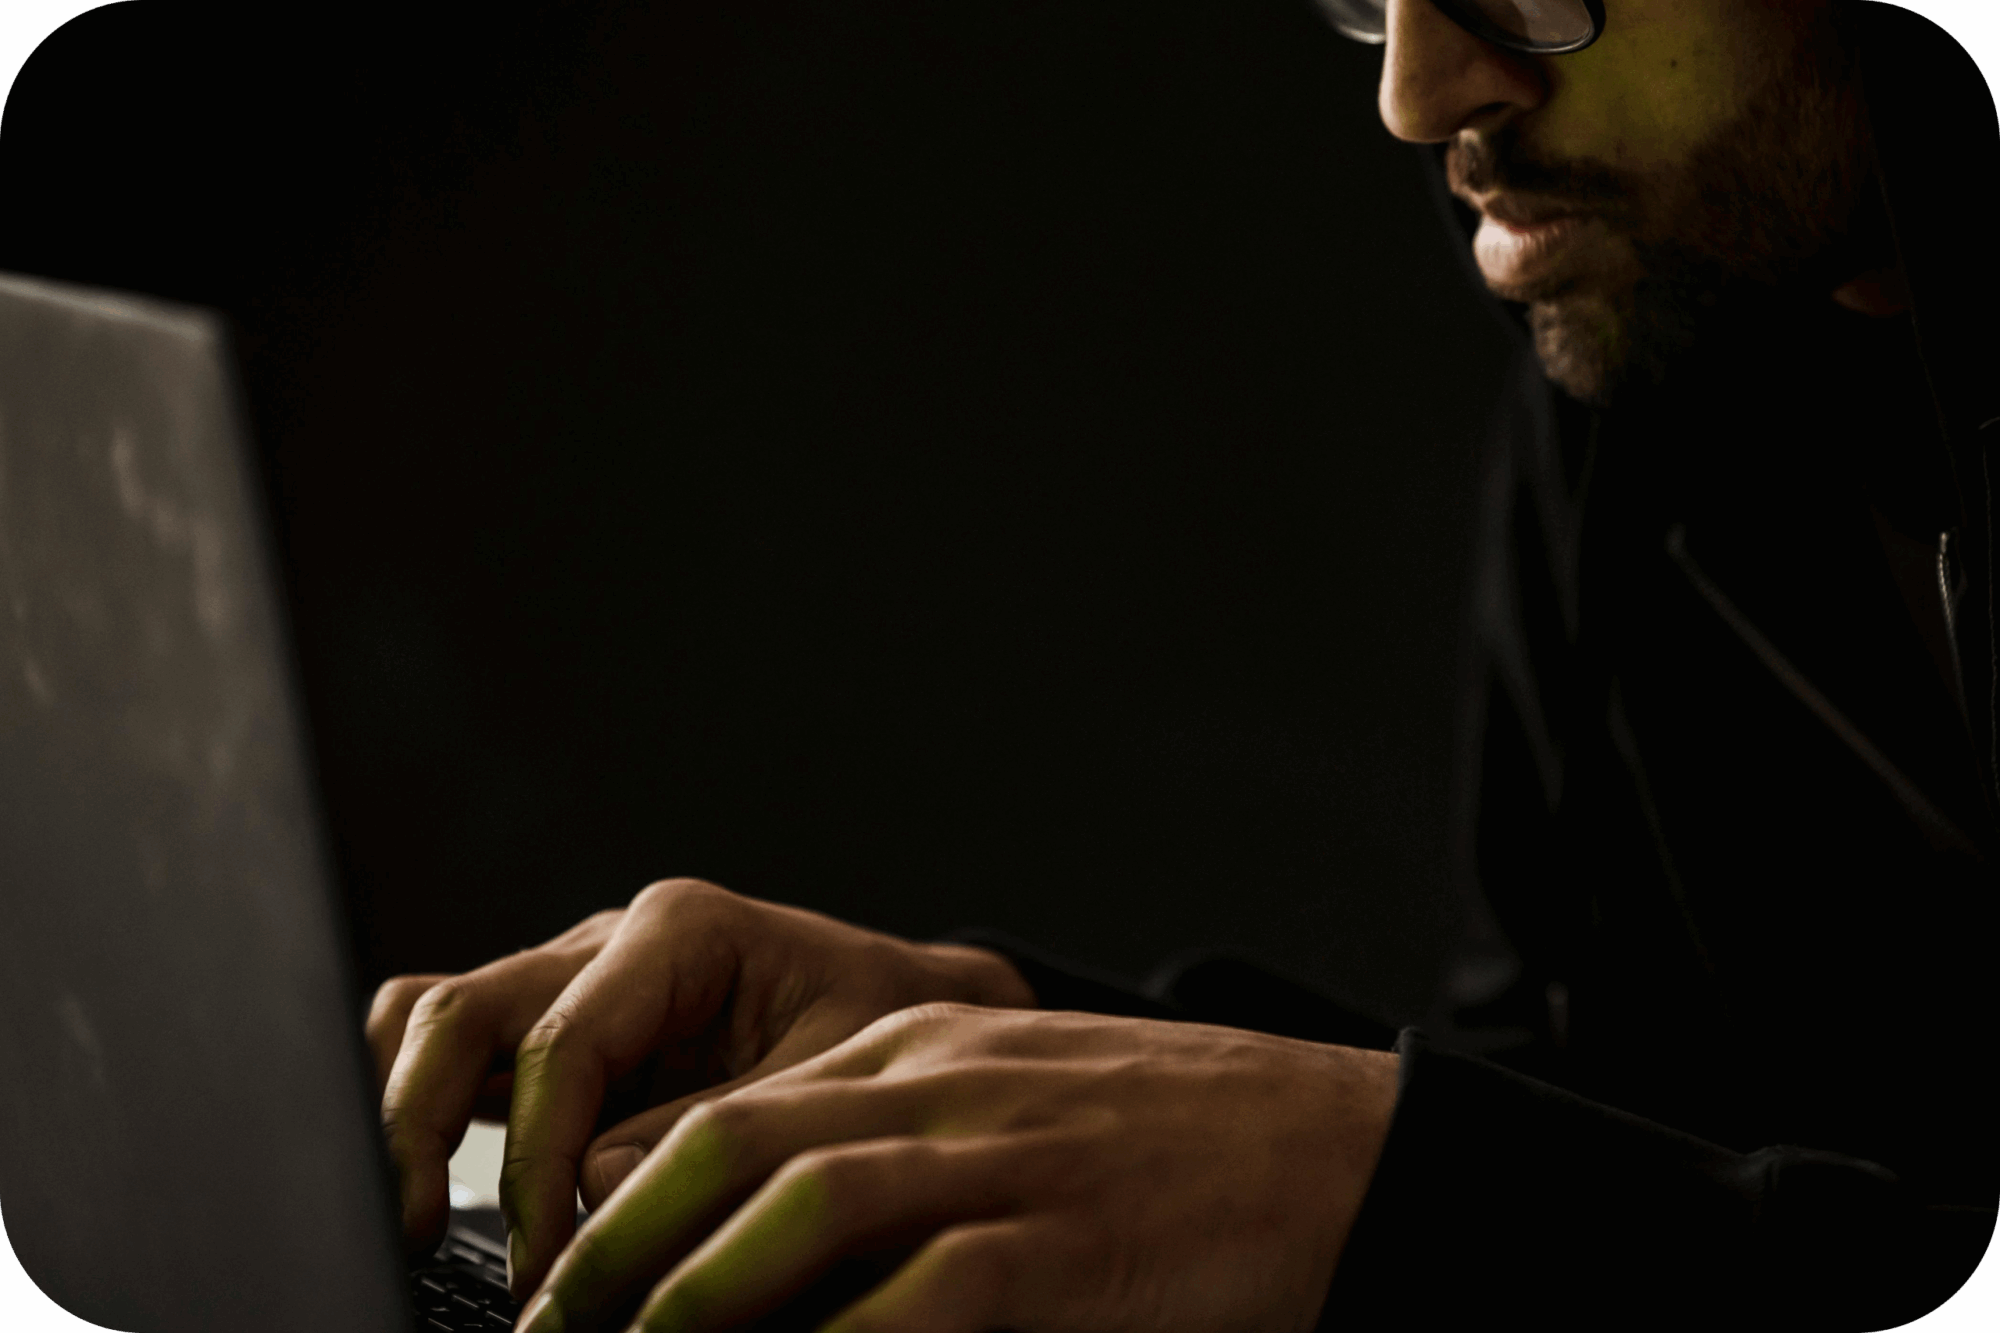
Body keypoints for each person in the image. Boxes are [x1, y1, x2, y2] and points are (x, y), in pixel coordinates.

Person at [364, 1, 1999, 1327]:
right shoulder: (1652, 364)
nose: (1421, 94)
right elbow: (1618, 1129)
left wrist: (1395, 1198)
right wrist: (980, 1036)